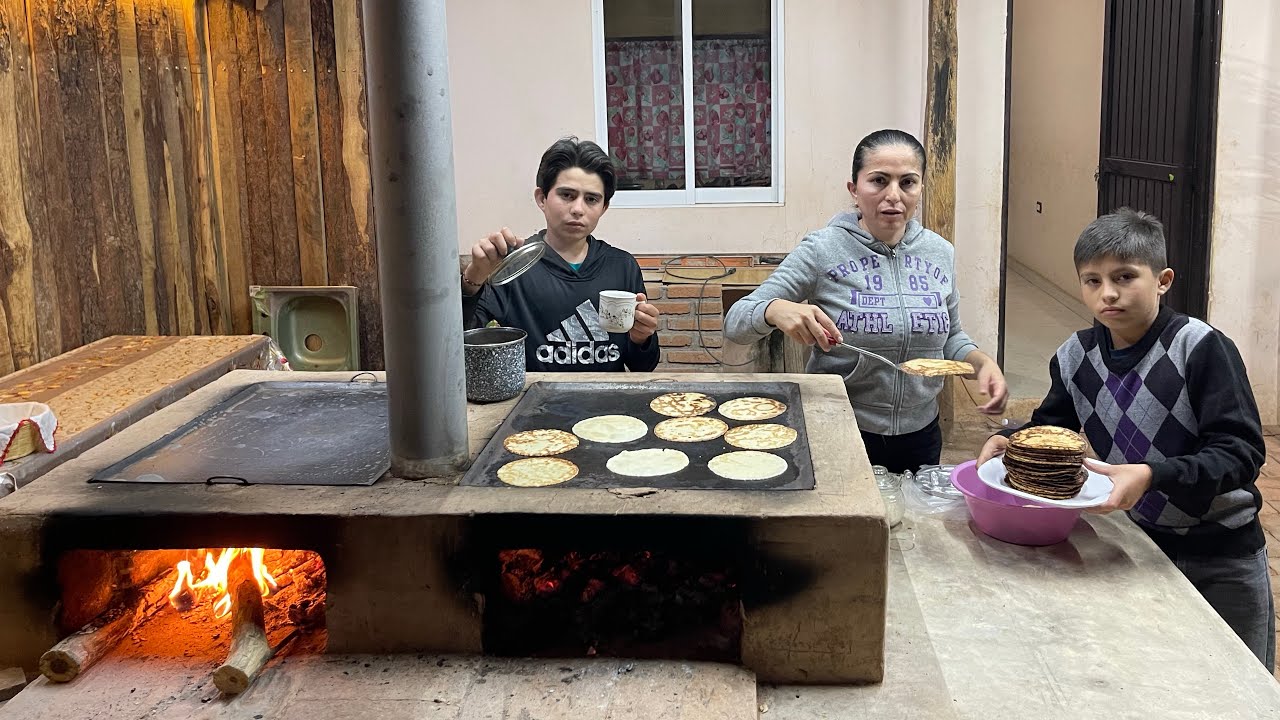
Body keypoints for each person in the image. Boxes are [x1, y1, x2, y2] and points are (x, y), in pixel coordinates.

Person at [976, 208, 1273, 671]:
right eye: (1091, 281)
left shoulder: (1200, 348)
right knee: (1154, 674)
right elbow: (1052, 422)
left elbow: (1241, 453)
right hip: (1141, 546)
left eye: (1124, 276)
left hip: (1220, 553)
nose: (1107, 294)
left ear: (1163, 280)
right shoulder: (1076, 356)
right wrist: (1012, 439)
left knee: (1238, 682)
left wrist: (1154, 475)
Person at [724, 129, 1007, 473]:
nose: (894, 195)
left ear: (920, 189)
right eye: (878, 180)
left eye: (907, 182)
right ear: (854, 190)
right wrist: (774, 309)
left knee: (911, 524)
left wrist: (981, 363)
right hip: (840, 428)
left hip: (922, 434)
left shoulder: (939, 253)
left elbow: (951, 337)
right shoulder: (823, 249)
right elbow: (736, 322)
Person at [461, 137, 660, 372]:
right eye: (567, 195)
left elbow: (643, 366)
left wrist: (642, 338)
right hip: (533, 404)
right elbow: (457, 343)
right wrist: (473, 280)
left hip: (608, 406)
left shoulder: (622, 266)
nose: (578, 209)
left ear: (604, 207)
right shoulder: (514, 264)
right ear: (542, 198)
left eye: (591, 199)